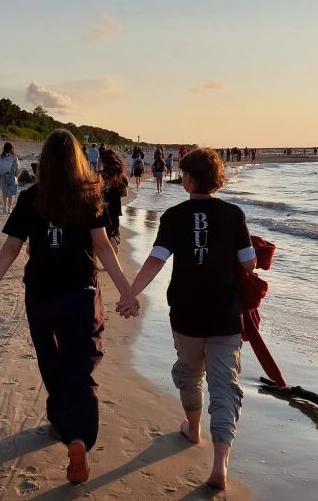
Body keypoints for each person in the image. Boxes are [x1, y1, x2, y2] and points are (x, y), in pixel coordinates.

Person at [0, 129, 139, 485]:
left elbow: (11, 247)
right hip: (81, 293)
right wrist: (126, 290)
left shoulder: (30, 197)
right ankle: (78, 438)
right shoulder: (90, 195)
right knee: (80, 365)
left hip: (40, 295)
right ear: (78, 159)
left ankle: (59, 420)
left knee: (50, 360)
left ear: (46, 161)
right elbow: (103, 247)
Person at [128, 147, 255, 490]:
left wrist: (131, 293)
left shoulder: (174, 216)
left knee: (190, 373)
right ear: (217, 179)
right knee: (224, 386)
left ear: (187, 179)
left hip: (186, 313)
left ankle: (193, 429)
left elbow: (156, 259)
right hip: (225, 314)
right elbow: (248, 263)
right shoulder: (234, 214)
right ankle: (220, 464)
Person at [99, 149, 128, 253]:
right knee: (113, 234)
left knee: (102, 234)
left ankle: (110, 255)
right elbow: (125, 193)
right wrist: (115, 194)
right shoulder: (120, 175)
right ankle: (114, 254)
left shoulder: (99, 175)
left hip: (101, 207)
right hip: (115, 208)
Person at [0, 142, 20, 213]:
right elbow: (17, 167)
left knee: (5, 193)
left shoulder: (1, 156)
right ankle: (9, 208)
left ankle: (4, 207)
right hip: (11, 176)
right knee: (11, 194)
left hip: (3, 176)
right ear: (11, 148)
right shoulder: (14, 157)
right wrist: (17, 175)